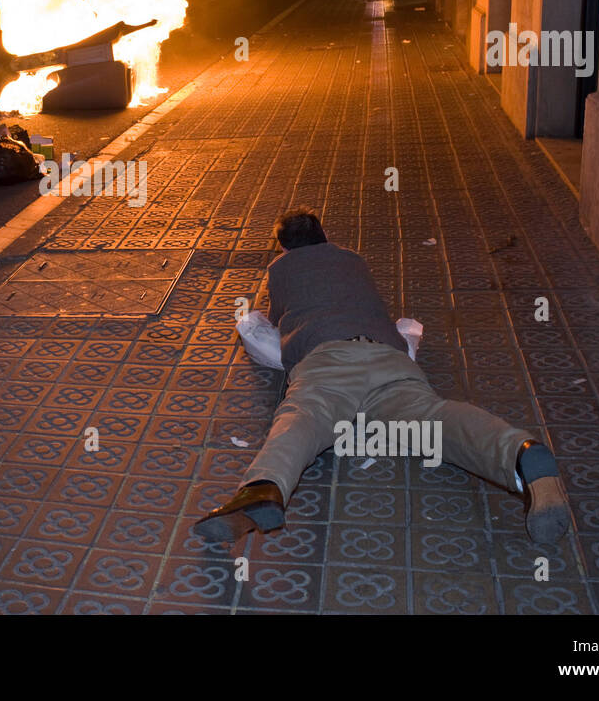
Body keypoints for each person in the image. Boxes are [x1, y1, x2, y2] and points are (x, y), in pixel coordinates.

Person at [194, 208, 572, 545]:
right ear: (323, 235)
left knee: (303, 418)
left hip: (327, 357)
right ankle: (520, 455)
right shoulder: (352, 259)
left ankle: (263, 486)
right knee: (432, 418)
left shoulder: (280, 269)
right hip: (389, 355)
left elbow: (276, 320)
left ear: (283, 247)